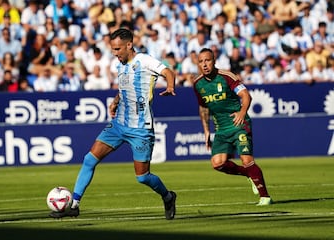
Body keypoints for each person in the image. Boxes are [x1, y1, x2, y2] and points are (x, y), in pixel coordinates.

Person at [49, 28, 177, 220]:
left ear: (129, 45)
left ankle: (168, 197)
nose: (115, 53)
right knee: (89, 160)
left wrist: (170, 86)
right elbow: (125, 88)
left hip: (140, 129)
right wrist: (116, 101)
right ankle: (74, 205)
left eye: (117, 49)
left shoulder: (144, 60)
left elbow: (167, 71)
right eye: (113, 50)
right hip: (118, 125)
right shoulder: (121, 65)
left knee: (142, 177)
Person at [193, 48, 272, 206]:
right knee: (218, 163)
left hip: (238, 124)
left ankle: (265, 197)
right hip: (221, 128)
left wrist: (242, 112)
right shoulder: (197, 84)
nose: (204, 64)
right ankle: (248, 174)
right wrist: (206, 130)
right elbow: (203, 108)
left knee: (247, 160)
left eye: (207, 60)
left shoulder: (226, 77)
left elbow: (245, 95)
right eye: (201, 61)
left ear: (214, 61)